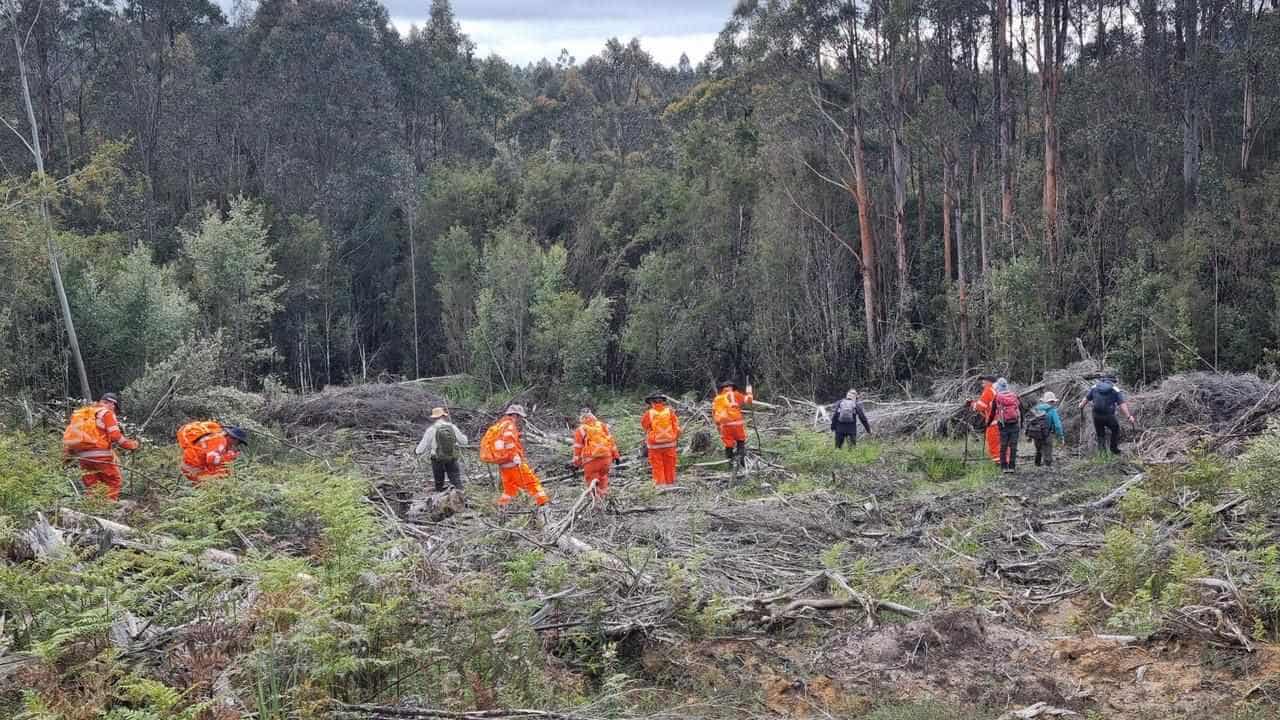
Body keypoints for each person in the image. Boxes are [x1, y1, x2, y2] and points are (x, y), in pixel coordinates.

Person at [62, 393, 139, 501]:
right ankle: (109, 508)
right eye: (115, 409)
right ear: (112, 404)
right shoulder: (106, 413)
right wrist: (132, 445)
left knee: (92, 486)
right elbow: (115, 436)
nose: (115, 412)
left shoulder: (85, 413)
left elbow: (72, 437)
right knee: (113, 481)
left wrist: (66, 457)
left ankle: (94, 510)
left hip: (83, 457)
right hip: (101, 457)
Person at [480, 404, 549, 510]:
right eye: (520, 417)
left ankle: (502, 507)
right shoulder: (510, 426)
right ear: (516, 415)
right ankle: (543, 503)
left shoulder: (499, 425)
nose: (520, 419)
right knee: (532, 482)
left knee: (510, 489)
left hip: (503, 462)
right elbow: (509, 442)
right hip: (512, 461)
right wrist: (515, 456)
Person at [572, 406, 621, 499]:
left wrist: (576, 464)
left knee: (592, 482)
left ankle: (598, 504)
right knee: (603, 478)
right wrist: (616, 456)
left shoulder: (581, 429)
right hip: (607, 458)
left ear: (581, 417)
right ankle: (605, 499)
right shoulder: (602, 425)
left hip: (591, 461)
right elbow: (611, 441)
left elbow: (578, 448)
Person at [415, 407, 468, 492]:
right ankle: (461, 498)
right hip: (451, 457)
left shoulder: (431, 429)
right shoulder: (452, 427)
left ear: (434, 418)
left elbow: (421, 448)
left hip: (437, 458)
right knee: (456, 481)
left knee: (439, 482)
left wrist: (417, 451)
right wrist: (464, 437)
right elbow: (464, 442)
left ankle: (439, 499)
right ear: (444, 416)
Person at [177, 421, 248, 484]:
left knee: (222, 473)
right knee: (218, 480)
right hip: (193, 467)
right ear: (233, 438)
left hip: (191, 465)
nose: (235, 445)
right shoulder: (221, 440)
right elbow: (211, 459)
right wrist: (229, 456)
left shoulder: (216, 436)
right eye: (238, 443)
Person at [1079, 376, 1136, 455]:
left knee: (1100, 434)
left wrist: (1081, 405)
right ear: (1112, 382)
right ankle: (1113, 449)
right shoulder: (1115, 389)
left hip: (1096, 415)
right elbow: (1122, 405)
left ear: (1103, 381)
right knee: (1115, 429)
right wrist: (1129, 416)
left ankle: (1102, 454)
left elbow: (1086, 399)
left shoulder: (1094, 387)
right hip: (1108, 416)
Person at [712, 380, 754, 470]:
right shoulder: (736, 395)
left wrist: (718, 426)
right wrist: (749, 391)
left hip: (725, 425)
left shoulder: (717, 398)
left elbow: (715, 413)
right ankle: (742, 464)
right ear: (733, 387)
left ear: (723, 388)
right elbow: (749, 400)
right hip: (737, 424)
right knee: (740, 442)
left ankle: (730, 465)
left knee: (728, 445)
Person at [641, 392, 680, 487]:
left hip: (654, 445)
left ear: (651, 403)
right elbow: (677, 428)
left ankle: (661, 485)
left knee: (657, 465)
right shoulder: (670, 412)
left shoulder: (648, 413)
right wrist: (675, 438)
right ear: (662, 402)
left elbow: (645, 426)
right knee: (670, 465)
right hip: (670, 444)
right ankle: (671, 484)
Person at [986, 378, 1022, 473]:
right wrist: (1021, 424)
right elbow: (1020, 410)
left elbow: (992, 413)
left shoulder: (997, 397)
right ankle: (1012, 467)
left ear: (998, 387)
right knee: (1013, 446)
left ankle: (1004, 467)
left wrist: (988, 423)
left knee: (1003, 445)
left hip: (1003, 425)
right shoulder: (1014, 396)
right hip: (1014, 424)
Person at [1026, 392, 1066, 467]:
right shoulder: (1052, 410)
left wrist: (1029, 436)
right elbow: (1058, 426)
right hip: (1048, 434)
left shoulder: (1036, 408)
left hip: (1036, 433)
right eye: (1053, 401)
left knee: (1038, 449)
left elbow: (1030, 421)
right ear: (1052, 402)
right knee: (1048, 450)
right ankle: (1047, 466)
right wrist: (1060, 436)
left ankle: (1037, 464)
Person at [968, 375, 1001, 463]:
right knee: (1003, 443)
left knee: (993, 443)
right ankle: (1007, 461)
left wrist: (971, 404)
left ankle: (999, 464)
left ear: (989, 382)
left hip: (993, 423)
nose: (982, 382)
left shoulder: (988, 390)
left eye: (984, 380)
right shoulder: (999, 390)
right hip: (1004, 422)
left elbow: (980, 407)